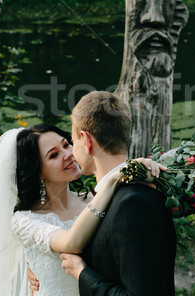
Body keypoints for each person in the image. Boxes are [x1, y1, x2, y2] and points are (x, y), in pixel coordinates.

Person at [0, 123, 162, 296]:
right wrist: (113, 179)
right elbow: (71, 243)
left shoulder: (93, 198)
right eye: (53, 155)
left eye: (66, 144)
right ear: (37, 173)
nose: (68, 154)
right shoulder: (25, 220)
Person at [60, 91, 177, 296]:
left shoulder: (132, 204)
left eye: (72, 141)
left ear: (86, 139)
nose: (71, 151)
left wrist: (82, 273)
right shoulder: (109, 197)